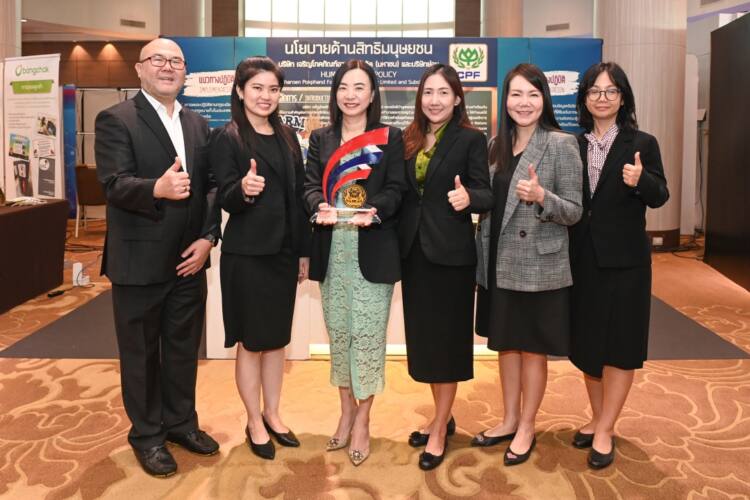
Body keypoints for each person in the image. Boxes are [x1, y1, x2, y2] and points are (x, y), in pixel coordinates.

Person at [95, 38, 220, 477]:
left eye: (176, 61)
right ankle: (147, 435)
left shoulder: (198, 124)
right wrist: (157, 188)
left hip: (190, 260)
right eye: (158, 60)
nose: (167, 67)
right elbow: (113, 184)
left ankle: (181, 423)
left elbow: (211, 187)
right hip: (139, 263)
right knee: (142, 354)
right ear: (139, 69)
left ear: (185, 71)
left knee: (184, 349)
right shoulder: (116, 119)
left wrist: (208, 239)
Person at [474, 63, 582, 466]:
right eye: (516, 94)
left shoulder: (561, 143)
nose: (524, 103)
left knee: (533, 349)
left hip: (537, 264)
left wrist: (541, 197)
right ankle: (508, 418)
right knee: (506, 345)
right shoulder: (496, 145)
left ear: (544, 100)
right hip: (498, 261)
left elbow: (574, 211)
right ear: (506, 100)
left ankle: (527, 426)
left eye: (533, 95)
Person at [304, 59, 406, 466]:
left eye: (359, 87)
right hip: (334, 251)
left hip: (372, 250)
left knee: (367, 339)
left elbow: (397, 188)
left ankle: (363, 419)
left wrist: (374, 209)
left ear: (372, 94)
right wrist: (319, 205)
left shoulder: (390, 137)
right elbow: (309, 185)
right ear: (335, 93)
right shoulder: (321, 138)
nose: (351, 95)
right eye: (344, 87)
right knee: (341, 337)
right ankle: (345, 412)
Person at [209, 56, 310, 461]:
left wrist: (303, 251)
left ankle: (273, 413)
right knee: (251, 343)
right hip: (248, 256)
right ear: (240, 90)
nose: (265, 96)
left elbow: (298, 197)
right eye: (257, 88)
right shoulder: (228, 137)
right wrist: (243, 190)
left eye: (273, 89)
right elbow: (223, 196)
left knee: (276, 341)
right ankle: (253, 420)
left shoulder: (288, 136)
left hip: (283, 255)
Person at [569, 62, 669, 469]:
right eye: (594, 90)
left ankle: (606, 428)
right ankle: (598, 419)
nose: (602, 98)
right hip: (583, 261)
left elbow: (660, 195)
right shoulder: (572, 144)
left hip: (626, 263)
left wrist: (640, 181)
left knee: (621, 346)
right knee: (589, 345)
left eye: (611, 91)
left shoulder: (642, 142)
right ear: (584, 98)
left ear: (623, 97)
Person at [398, 64, 493, 470]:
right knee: (425, 343)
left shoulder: (471, 139)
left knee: (447, 343)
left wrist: (469, 198)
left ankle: (438, 429)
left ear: (456, 98)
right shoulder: (408, 138)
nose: (434, 100)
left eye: (442, 93)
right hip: (414, 255)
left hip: (452, 257)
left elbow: (487, 193)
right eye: (428, 92)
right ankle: (444, 415)